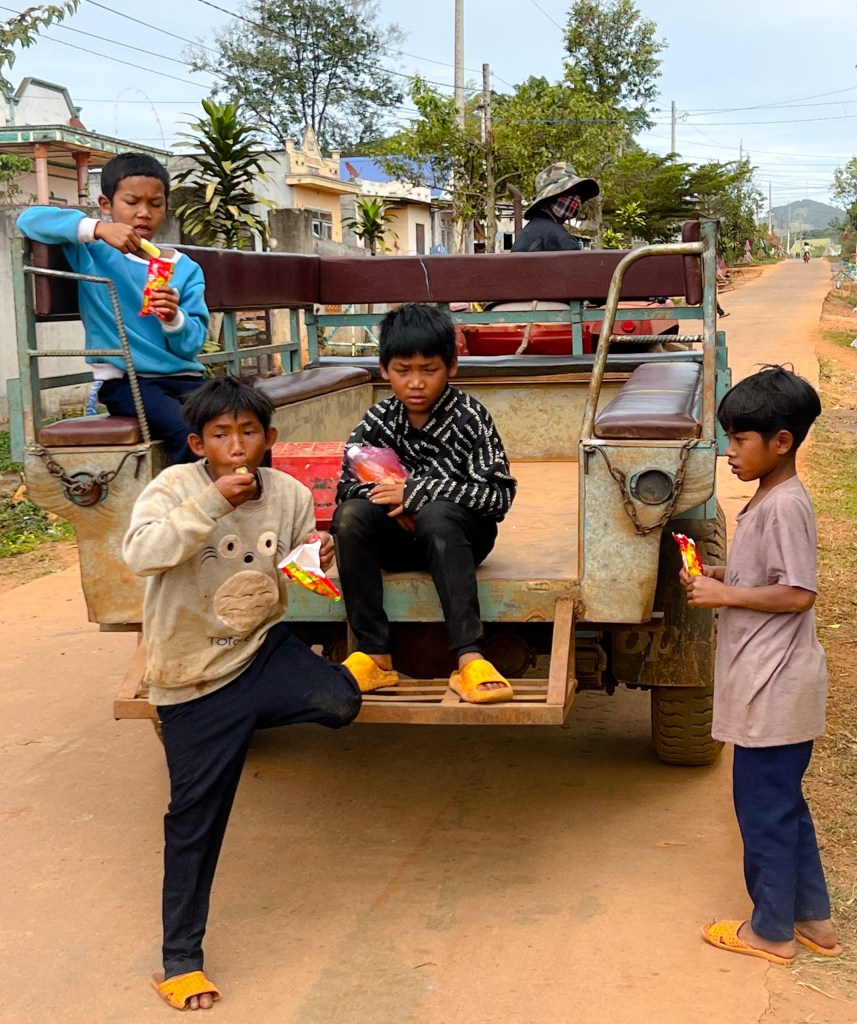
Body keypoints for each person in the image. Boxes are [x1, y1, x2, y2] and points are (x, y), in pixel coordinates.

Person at [123, 376, 362, 1010]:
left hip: (259, 649)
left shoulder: (288, 493)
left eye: (249, 433)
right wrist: (211, 504)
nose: (237, 447)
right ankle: (180, 961)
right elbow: (141, 555)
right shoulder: (173, 488)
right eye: (222, 435)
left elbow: (293, 563)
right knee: (195, 821)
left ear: (268, 438)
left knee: (340, 703)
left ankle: (306, 689)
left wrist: (318, 552)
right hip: (191, 677)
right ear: (198, 444)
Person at [682, 366, 841, 966]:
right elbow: (773, 575)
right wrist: (724, 575)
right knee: (784, 807)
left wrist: (725, 595)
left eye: (740, 439)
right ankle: (813, 921)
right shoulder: (770, 499)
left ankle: (770, 932)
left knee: (762, 814)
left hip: (773, 689)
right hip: (771, 685)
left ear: (782, 441)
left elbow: (798, 593)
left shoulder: (785, 506)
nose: (729, 451)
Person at [331, 303, 518, 704]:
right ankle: (374, 655)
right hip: (398, 543)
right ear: (384, 370)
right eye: (403, 370)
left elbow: (498, 495)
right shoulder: (378, 420)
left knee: (436, 513)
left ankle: (470, 658)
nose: (416, 383)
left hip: (459, 540)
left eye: (429, 370)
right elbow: (345, 489)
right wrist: (392, 504)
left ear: (452, 367)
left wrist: (417, 494)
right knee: (350, 517)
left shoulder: (470, 418)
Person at [17, 152, 209, 463]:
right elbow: (29, 220)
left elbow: (191, 346)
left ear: (166, 207)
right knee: (187, 430)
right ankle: (188, 494)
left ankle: (253, 492)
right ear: (106, 205)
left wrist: (174, 319)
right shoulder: (92, 251)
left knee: (245, 420)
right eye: (131, 202)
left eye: (155, 204)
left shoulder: (185, 268)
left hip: (186, 378)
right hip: (126, 381)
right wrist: (98, 228)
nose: (143, 213)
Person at [511, 162, 599, 252]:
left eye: (578, 194)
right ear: (549, 198)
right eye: (568, 192)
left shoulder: (527, 233)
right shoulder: (563, 241)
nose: (575, 199)